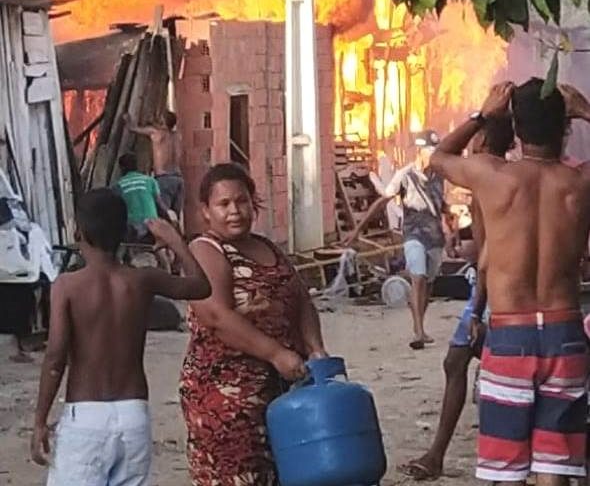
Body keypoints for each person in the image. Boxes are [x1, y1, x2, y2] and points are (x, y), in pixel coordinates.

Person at [430, 79, 590, 485]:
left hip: (510, 336)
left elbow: (438, 157)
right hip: (565, 332)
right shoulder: (580, 183)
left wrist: (483, 114)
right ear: (565, 126)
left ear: (515, 128)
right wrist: (586, 109)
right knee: (554, 469)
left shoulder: (491, 175)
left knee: (507, 468)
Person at [30, 188, 211, 486]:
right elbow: (200, 287)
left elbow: (55, 358)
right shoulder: (141, 280)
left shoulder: (67, 286)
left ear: (79, 231)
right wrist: (176, 241)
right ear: (123, 232)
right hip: (133, 415)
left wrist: (40, 421)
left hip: (86, 417)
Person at [180, 162, 327, 486]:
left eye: (242, 201)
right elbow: (217, 317)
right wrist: (276, 353)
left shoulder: (268, 247)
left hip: (283, 391)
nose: (235, 211)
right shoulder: (205, 251)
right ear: (206, 211)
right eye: (224, 204)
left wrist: (316, 349)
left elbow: (301, 300)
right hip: (226, 396)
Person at [400, 115, 515, 481]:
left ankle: (447, 456)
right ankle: (438, 455)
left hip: (495, 289)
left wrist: (479, 306)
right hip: (491, 285)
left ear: (480, 144)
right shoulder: (507, 176)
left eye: (476, 139)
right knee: (458, 361)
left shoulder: (486, 180)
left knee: (472, 363)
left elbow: (488, 255)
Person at [348, 143, 446, 349]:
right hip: (413, 235)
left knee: (427, 284)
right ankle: (418, 331)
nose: (433, 155)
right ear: (420, 152)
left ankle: (421, 325)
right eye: (430, 151)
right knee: (417, 278)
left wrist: (451, 232)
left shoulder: (439, 175)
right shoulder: (405, 175)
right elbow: (382, 202)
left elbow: (440, 206)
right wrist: (357, 230)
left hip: (436, 238)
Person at [124, 111, 184, 221]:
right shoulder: (177, 136)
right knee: (175, 218)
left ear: (162, 121)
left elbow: (132, 128)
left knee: (163, 217)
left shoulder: (156, 133)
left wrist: (127, 118)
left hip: (164, 179)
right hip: (178, 179)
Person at [115, 152, 168, 242]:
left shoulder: (118, 186)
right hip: (153, 225)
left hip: (133, 228)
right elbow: (160, 204)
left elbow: (117, 210)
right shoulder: (149, 180)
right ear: (137, 166)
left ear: (121, 168)